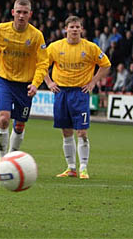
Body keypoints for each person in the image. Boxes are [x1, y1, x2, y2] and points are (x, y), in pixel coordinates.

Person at [0, 0, 49, 158]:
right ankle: (3, 159)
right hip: (4, 80)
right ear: (13, 12)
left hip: (25, 85)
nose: (21, 15)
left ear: (30, 14)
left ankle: (12, 157)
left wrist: (35, 84)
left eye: (25, 12)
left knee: (20, 124)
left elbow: (43, 63)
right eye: (18, 12)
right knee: (4, 119)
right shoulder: (1, 30)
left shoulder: (37, 36)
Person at [44, 16, 111, 179]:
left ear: (82, 30)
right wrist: (49, 82)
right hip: (61, 93)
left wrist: (93, 82)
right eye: (71, 27)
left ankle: (84, 168)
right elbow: (41, 65)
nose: (74, 30)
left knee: (81, 132)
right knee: (66, 131)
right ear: (65, 29)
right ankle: (71, 168)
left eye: (77, 27)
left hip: (79, 93)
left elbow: (106, 65)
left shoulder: (90, 48)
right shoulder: (55, 47)